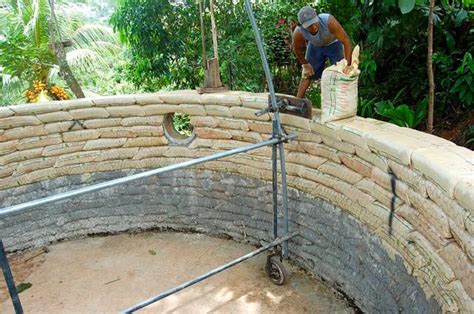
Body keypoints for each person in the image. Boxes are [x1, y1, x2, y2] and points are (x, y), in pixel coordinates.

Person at [292, 6, 352, 98]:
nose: (314, 27)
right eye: (309, 26)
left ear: (317, 17)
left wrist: (347, 64)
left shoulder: (329, 21)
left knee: (342, 73)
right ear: (303, 26)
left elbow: (346, 41)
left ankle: (343, 101)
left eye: (314, 22)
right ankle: (297, 101)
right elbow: (297, 49)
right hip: (315, 46)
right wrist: (305, 64)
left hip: (333, 44)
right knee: (307, 74)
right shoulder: (299, 32)